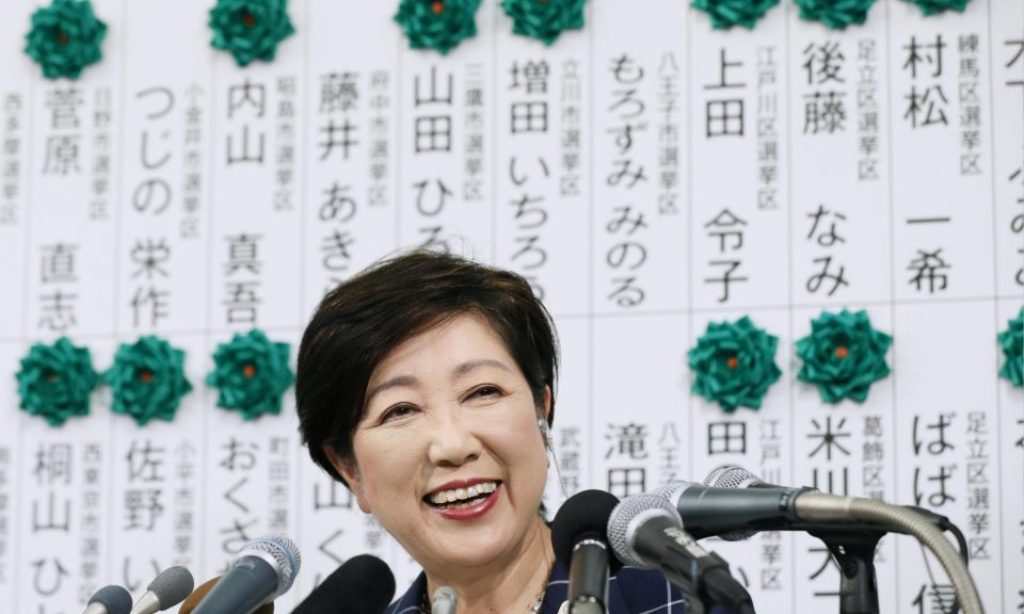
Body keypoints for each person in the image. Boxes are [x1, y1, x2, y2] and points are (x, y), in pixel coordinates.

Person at [296, 250, 685, 613]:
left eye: (483, 391)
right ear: (351, 471)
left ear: (541, 410)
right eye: (400, 410)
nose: (452, 445)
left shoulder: (672, 600)